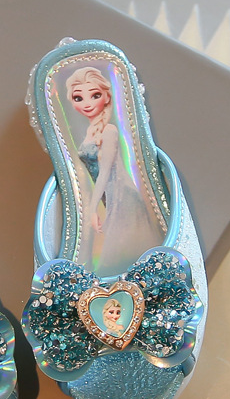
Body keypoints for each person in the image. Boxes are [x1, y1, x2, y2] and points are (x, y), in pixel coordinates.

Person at [66, 66, 161, 275]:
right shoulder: (90, 132)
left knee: (122, 255)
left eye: (95, 95)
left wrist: (92, 211)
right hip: (108, 198)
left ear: (107, 97)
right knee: (120, 255)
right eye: (78, 98)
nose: (87, 103)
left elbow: (105, 172)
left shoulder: (109, 131)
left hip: (122, 197)